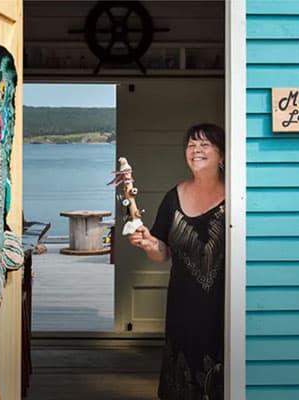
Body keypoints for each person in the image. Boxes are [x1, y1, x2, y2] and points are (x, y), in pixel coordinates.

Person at [128, 123, 225, 399]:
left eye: (205, 144)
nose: (196, 150)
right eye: (191, 145)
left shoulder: (237, 197)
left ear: (222, 155)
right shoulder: (174, 198)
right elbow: (162, 252)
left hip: (223, 308)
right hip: (183, 307)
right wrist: (148, 242)